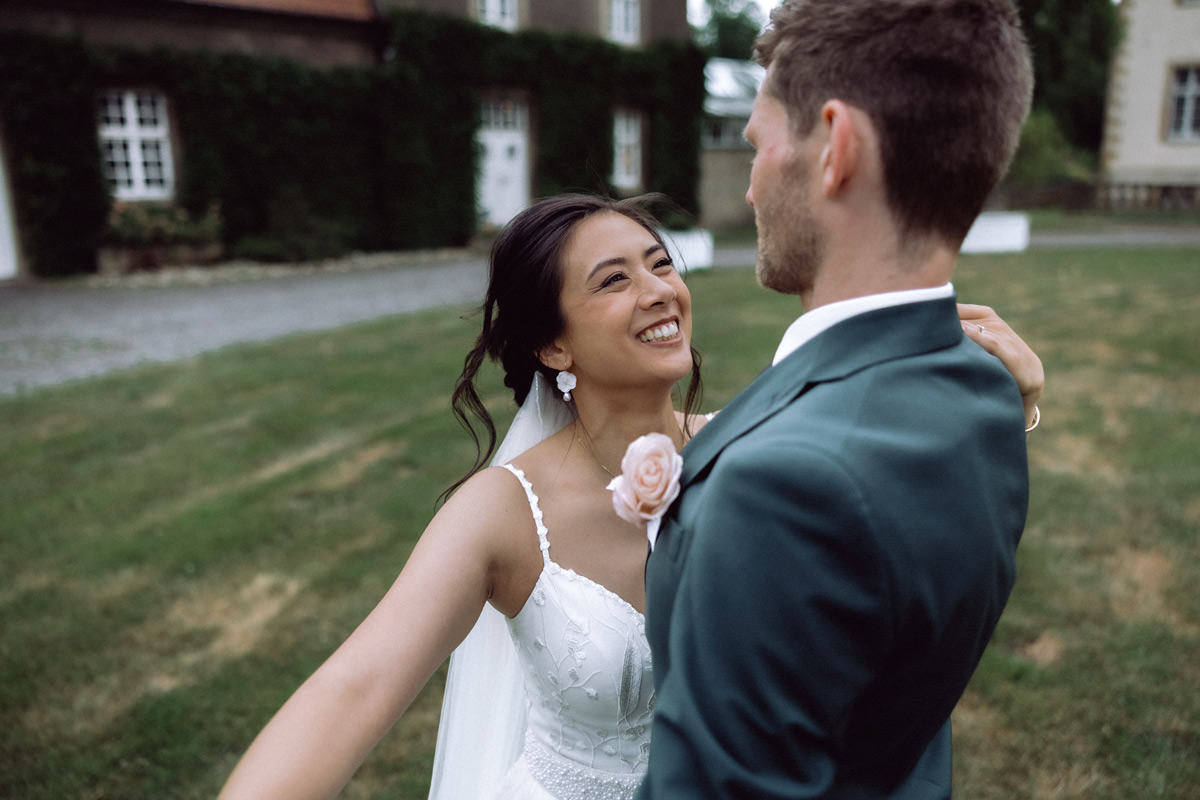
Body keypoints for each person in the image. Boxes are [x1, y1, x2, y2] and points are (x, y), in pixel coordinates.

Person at [216, 191, 1041, 798]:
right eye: (613, 281)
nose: (659, 291)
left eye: (660, 264)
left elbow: (908, 507)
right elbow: (354, 687)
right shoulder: (500, 511)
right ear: (552, 344)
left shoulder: (748, 452)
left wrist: (1015, 401)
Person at [636, 1, 1036, 798]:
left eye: (758, 144)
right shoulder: (993, 389)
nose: (752, 189)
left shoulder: (783, 489)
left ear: (835, 148)